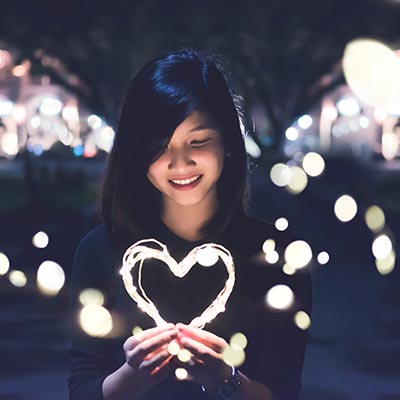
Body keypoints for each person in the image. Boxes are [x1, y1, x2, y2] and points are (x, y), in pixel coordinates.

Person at [68, 49, 312, 400]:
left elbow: (284, 391)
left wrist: (224, 379)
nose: (179, 163)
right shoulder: (99, 251)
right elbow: (81, 390)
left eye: (198, 141)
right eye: (158, 147)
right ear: (136, 153)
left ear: (228, 142)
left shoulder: (277, 257)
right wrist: (134, 375)